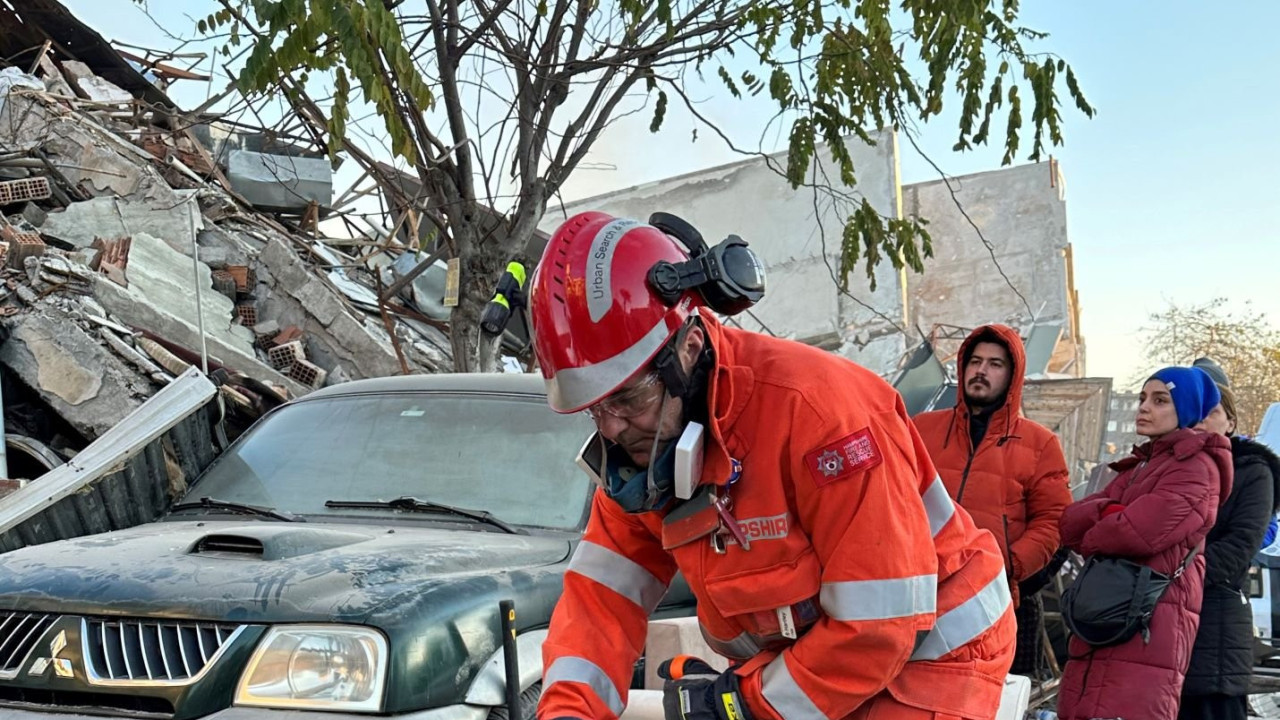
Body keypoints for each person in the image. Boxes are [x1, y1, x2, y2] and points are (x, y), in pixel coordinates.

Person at [530, 211, 1015, 720]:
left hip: (939, 648)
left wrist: (741, 705)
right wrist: (568, 712)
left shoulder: (820, 413)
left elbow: (880, 624)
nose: (610, 428)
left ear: (689, 348)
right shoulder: (641, 452)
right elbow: (599, 604)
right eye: (594, 408)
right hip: (824, 651)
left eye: (627, 399)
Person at [1056, 366, 1232, 720]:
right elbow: (1070, 523)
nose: (1144, 408)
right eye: (1141, 399)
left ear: (1186, 410)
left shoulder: (1197, 467)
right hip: (1107, 619)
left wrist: (1108, 515)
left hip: (1148, 628)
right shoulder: (1140, 465)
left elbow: (1137, 532)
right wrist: (1115, 512)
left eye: (1160, 400)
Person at [912, 325, 1071, 675]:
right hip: (919, 594)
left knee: (989, 700)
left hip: (994, 602)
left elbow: (1053, 521)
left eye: (995, 364)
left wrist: (1007, 566)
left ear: (1013, 377)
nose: (981, 370)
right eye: (975, 361)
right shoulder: (921, 429)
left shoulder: (1040, 444)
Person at [1180, 379, 1280, 720]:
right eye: (1193, 412)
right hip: (1162, 625)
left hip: (1215, 622)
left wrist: (1169, 574)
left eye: (1211, 412)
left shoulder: (1252, 472)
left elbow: (1240, 545)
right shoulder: (1161, 470)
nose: (1199, 421)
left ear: (1231, 423)